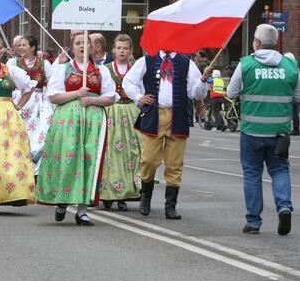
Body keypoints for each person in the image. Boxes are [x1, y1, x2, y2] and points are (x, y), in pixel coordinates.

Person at [36, 33, 117, 226]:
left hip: (93, 120)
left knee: (89, 162)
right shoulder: (64, 69)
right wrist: (76, 93)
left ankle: (82, 211)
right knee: (68, 159)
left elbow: (111, 97)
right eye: (78, 43)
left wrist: (92, 100)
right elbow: (54, 97)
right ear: (72, 47)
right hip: (67, 121)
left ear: (93, 47)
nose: (82, 46)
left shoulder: (101, 71)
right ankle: (62, 201)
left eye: (85, 43)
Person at [226, 24, 299, 235]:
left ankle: (253, 222)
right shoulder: (290, 65)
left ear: (257, 43)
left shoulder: (246, 64)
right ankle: (284, 207)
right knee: (280, 171)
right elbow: (298, 97)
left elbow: (231, 92)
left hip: (252, 131)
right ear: (274, 43)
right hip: (280, 133)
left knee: (252, 174)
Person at [122, 47, 211, 220]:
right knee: (149, 160)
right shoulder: (147, 60)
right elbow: (128, 82)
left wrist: (203, 80)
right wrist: (139, 96)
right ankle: (145, 196)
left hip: (178, 116)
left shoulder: (187, 63)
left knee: (175, 163)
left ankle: (171, 206)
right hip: (154, 114)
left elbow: (195, 93)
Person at [0, 35, 35, 214]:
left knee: (13, 155)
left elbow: (29, 86)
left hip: (8, 116)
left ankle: (14, 194)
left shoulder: (11, 69)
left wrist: (18, 105)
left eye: (0, 47)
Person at [100, 34, 142, 211]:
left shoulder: (136, 68)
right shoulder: (106, 68)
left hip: (131, 111)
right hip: (112, 111)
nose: (122, 51)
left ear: (130, 50)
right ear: (113, 50)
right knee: (111, 154)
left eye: (125, 48)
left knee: (131, 154)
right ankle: (108, 192)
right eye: (119, 48)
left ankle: (125, 192)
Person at [9, 35, 54, 177]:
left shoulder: (43, 64)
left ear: (33, 47)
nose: (20, 47)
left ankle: (36, 171)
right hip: (19, 100)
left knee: (41, 135)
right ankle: (18, 167)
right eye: (19, 45)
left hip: (39, 103)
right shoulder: (13, 62)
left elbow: (52, 84)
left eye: (24, 45)